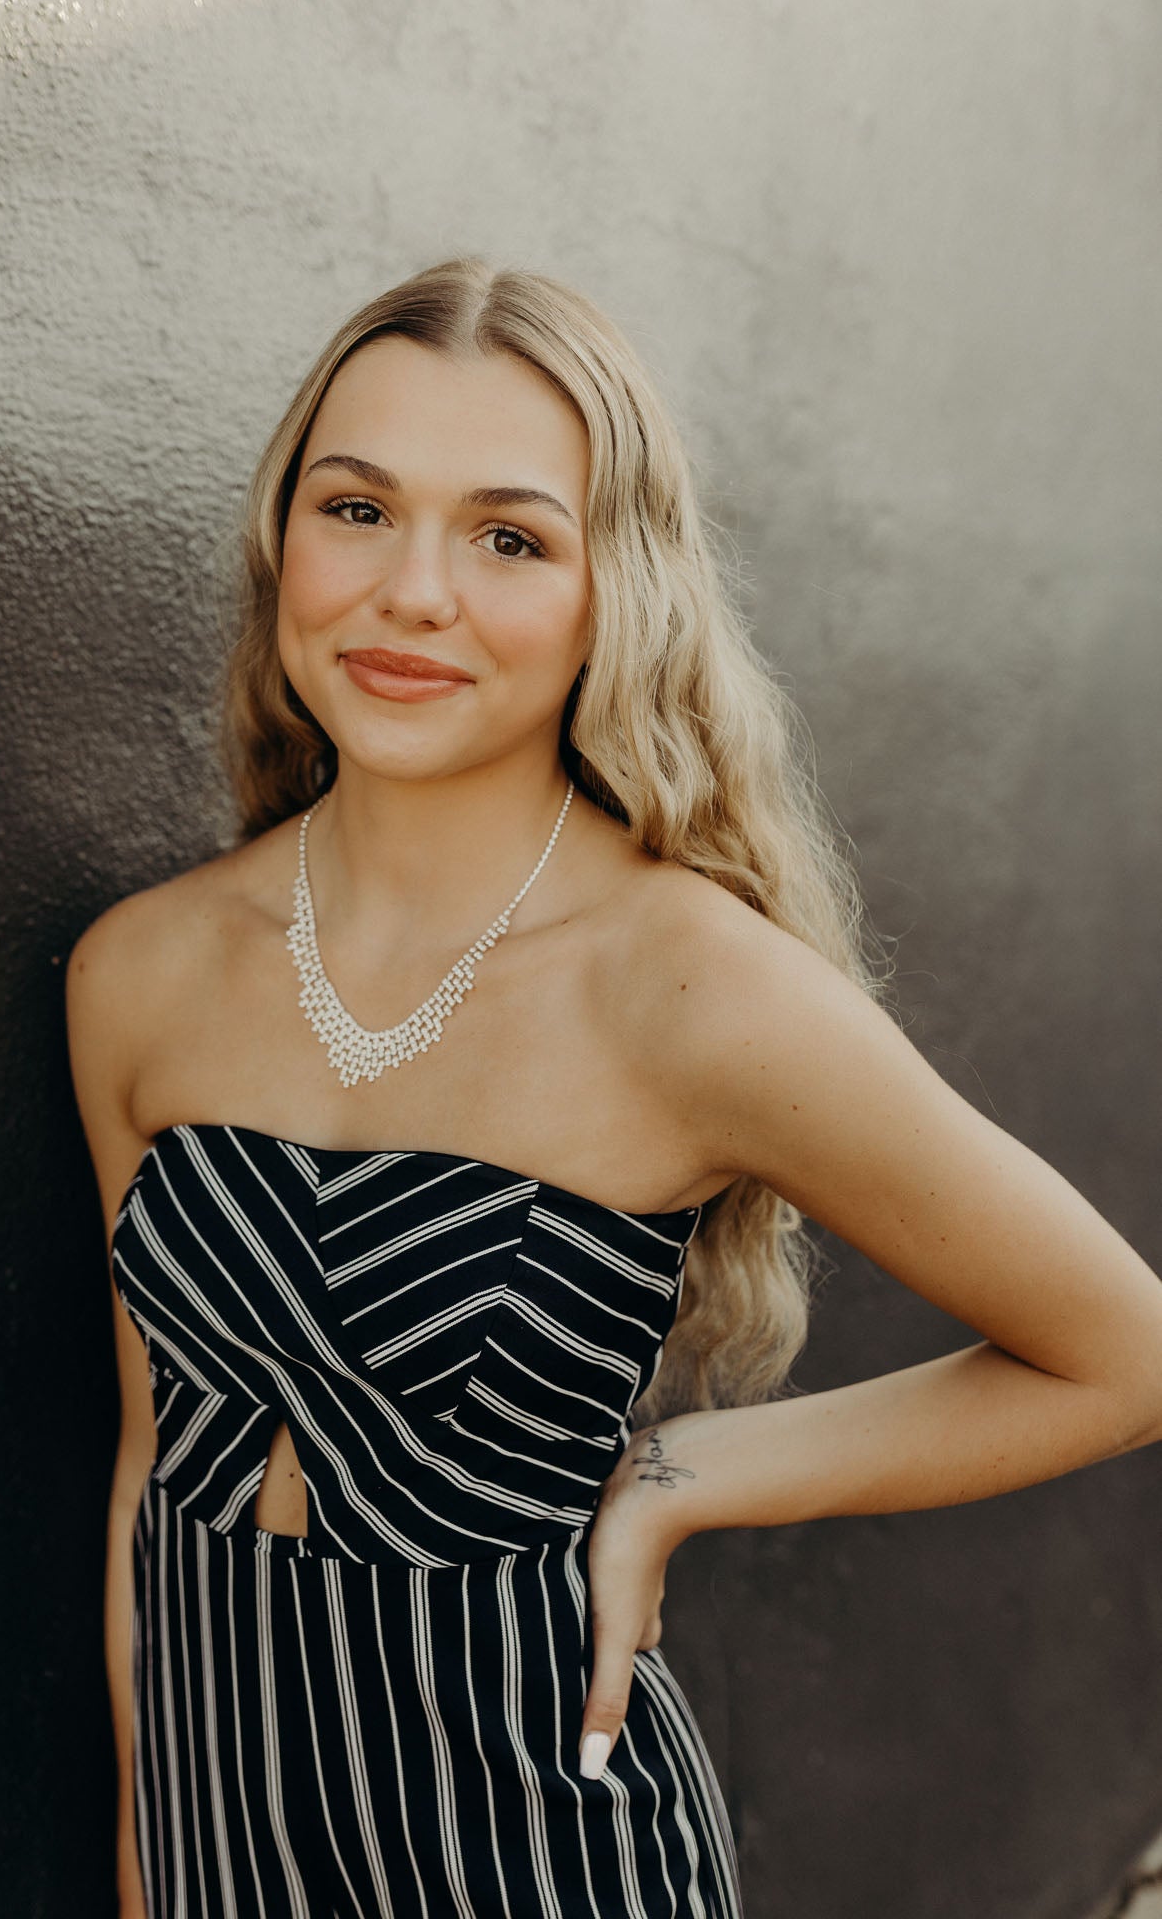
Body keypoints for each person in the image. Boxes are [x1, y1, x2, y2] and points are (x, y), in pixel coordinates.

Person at [66, 255, 1162, 1919]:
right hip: (228, 1835)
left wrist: (680, 1485)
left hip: (535, 1850)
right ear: (280, 537)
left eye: (508, 536)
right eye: (355, 509)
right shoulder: (138, 972)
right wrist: (153, 1864)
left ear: (611, 592)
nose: (412, 592)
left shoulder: (684, 984)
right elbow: (155, 1465)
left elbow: (1123, 1352)